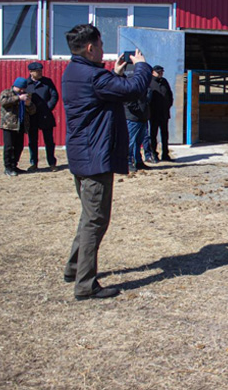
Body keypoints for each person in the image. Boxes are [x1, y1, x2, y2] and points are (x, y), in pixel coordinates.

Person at [61, 23, 151, 300]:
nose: (102, 50)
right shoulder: (94, 77)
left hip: (81, 155)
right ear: (90, 48)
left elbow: (103, 91)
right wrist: (142, 66)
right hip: (94, 159)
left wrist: (115, 73)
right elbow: (133, 89)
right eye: (100, 45)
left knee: (89, 217)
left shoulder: (73, 72)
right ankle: (85, 285)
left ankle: (74, 268)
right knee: (96, 221)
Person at [25, 62, 59, 172]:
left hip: (45, 115)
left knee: (49, 140)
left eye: (41, 70)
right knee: (32, 141)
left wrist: (48, 107)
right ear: (30, 72)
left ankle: (52, 163)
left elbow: (54, 95)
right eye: (37, 71)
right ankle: (34, 163)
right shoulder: (26, 84)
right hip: (32, 116)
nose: (40, 72)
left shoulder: (47, 82)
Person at [0, 77, 36, 176]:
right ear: (15, 86)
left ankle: (14, 165)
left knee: (19, 147)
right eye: (20, 88)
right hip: (9, 125)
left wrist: (28, 104)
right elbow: (3, 102)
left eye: (23, 88)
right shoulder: (6, 93)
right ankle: (8, 167)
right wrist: (18, 98)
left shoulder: (26, 95)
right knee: (9, 147)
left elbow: (33, 111)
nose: (22, 90)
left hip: (21, 124)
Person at [148, 65, 174, 162]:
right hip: (154, 114)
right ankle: (154, 154)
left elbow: (170, 95)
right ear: (153, 72)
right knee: (153, 135)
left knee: (165, 134)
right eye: (158, 72)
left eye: (161, 72)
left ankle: (165, 154)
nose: (160, 74)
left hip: (164, 113)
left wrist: (168, 105)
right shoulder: (149, 82)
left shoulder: (164, 82)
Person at [124, 84, 153, 172]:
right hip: (133, 118)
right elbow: (128, 102)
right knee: (130, 141)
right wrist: (139, 110)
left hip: (143, 118)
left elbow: (147, 100)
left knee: (138, 142)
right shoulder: (132, 86)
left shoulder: (145, 86)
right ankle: (128, 162)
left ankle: (139, 162)